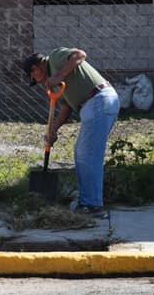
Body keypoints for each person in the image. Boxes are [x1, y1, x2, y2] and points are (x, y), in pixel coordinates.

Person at [22, 49, 120, 217]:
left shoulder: (55, 58)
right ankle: (87, 202)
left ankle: (92, 206)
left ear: (36, 68)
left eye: (35, 79)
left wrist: (58, 77)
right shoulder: (56, 85)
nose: (39, 82)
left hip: (98, 100)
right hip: (96, 105)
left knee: (88, 155)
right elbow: (66, 109)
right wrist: (52, 131)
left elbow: (80, 55)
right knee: (82, 153)